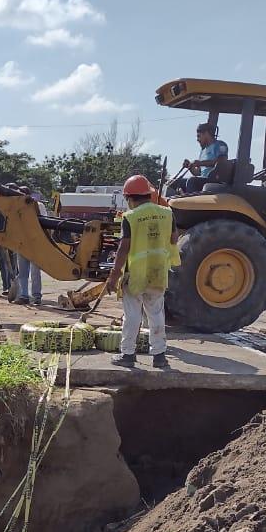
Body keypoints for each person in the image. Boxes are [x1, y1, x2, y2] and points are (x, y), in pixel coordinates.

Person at [103, 175, 178, 369]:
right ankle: (159, 356)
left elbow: (124, 248)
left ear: (130, 198)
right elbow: (175, 238)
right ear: (148, 194)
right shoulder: (167, 213)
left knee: (132, 315)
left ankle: (128, 355)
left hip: (135, 275)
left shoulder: (131, 217)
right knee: (156, 313)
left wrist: (114, 275)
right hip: (158, 272)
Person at [13, 185, 46, 304]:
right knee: (22, 272)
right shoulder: (15, 207)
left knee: (35, 271)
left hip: (35, 242)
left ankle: (36, 296)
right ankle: (24, 295)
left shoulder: (39, 206)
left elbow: (45, 224)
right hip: (21, 242)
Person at [180, 122, 229, 194]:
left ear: (206, 134)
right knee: (179, 182)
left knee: (192, 181)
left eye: (199, 136)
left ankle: (193, 204)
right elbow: (198, 173)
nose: (197, 139)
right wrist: (190, 167)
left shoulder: (220, 145)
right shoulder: (203, 151)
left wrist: (200, 163)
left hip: (215, 179)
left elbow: (222, 162)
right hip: (203, 179)